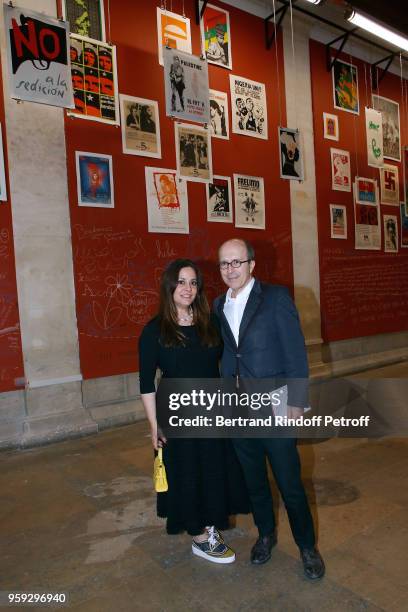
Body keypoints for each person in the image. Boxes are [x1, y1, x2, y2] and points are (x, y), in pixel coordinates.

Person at [214, 239, 325, 580]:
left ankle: (307, 547)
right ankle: (266, 535)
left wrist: (297, 400)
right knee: (254, 481)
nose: (230, 269)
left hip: (276, 405)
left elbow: (295, 351)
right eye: (224, 264)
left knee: (290, 482)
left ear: (251, 264)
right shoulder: (218, 305)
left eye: (237, 262)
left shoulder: (275, 299)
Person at [138, 259, 249, 564]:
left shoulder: (209, 322)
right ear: (169, 286)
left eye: (193, 283)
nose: (188, 289)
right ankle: (199, 536)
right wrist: (154, 425)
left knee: (213, 468)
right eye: (181, 282)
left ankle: (209, 524)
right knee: (187, 471)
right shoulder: (154, 331)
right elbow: (146, 383)